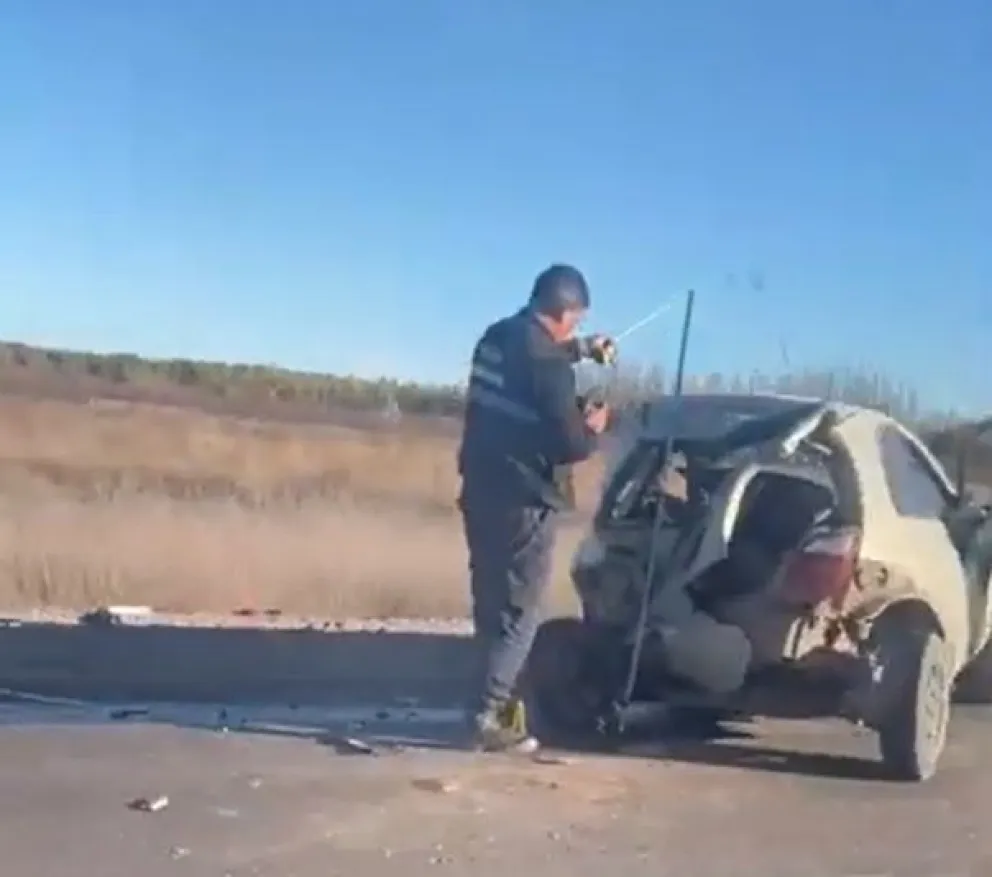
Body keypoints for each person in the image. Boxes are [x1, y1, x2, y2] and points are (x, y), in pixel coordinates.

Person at [456, 263, 616, 753]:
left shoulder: (496, 337)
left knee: (489, 602)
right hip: (526, 500)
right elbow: (571, 444)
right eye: (577, 322)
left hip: (481, 490)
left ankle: (481, 702)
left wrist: (580, 352)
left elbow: (532, 358)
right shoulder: (548, 367)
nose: (578, 330)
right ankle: (490, 715)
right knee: (521, 611)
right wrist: (595, 422)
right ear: (565, 311)